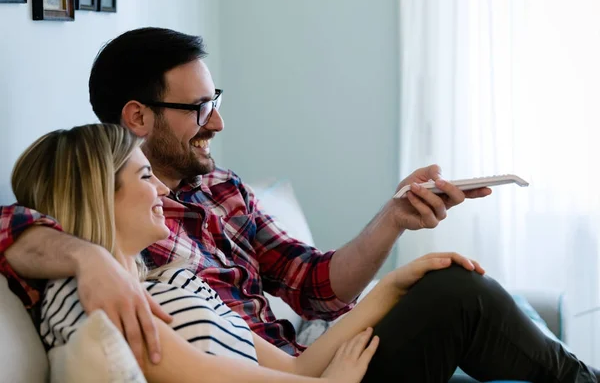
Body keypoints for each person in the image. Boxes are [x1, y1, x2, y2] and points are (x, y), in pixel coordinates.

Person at [1, 28, 598, 381]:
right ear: (137, 116)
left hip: (304, 354)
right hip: (306, 367)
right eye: (199, 108)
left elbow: (312, 284)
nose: (219, 121)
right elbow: (9, 224)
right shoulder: (104, 220)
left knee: (461, 287)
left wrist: (393, 221)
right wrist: (89, 258)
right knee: (463, 297)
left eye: (216, 100)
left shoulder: (221, 191)